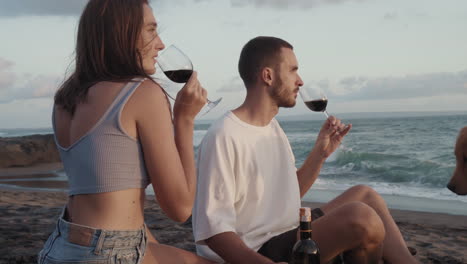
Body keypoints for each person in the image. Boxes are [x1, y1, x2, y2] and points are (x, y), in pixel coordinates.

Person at [192, 36, 419, 264]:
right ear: (268, 76)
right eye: (293, 70)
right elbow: (214, 231)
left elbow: (289, 195)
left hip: (290, 233)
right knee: (362, 218)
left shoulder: (272, 128)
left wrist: (320, 154)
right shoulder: (224, 135)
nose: (300, 81)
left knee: (366, 196)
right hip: (257, 250)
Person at [37, 0, 214, 263]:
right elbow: (180, 208)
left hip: (61, 246)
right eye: (151, 30)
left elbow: (114, 198)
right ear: (123, 33)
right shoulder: (143, 93)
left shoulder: (65, 99)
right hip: (108, 253)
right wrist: (184, 120)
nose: (161, 43)